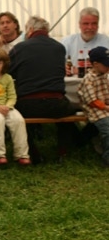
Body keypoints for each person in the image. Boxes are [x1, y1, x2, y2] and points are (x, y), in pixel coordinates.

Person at [9, 15, 77, 164]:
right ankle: (63, 151)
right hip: (56, 105)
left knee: (16, 114)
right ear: (46, 30)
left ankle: (34, 153)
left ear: (30, 30)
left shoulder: (19, 48)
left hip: (28, 106)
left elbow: (9, 72)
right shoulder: (59, 48)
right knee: (73, 109)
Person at [0, 48, 30, 166]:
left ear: (4, 64)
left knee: (18, 120)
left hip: (6, 107)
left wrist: (8, 106)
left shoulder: (8, 78)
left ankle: (22, 154)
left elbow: (12, 96)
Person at [78, 46, 109, 167]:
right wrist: (106, 107)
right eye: (106, 65)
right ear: (95, 64)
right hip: (95, 110)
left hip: (104, 106)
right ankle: (106, 159)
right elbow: (92, 101)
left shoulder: (104, 75)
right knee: (107, 130)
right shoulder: (88, 80)